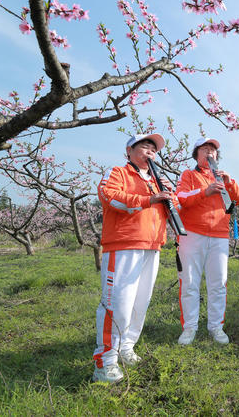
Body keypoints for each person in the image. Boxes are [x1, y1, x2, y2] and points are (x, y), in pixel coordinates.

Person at [93, 133, 176, 383]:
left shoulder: (157, 181)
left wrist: (170, 196)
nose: (150, 151)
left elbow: (173, 211)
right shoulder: (118, 172)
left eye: (153, 148)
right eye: (144, 146)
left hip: (152, 246)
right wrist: (149, 199)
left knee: (140, 303)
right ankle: (105, 361)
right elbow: (109, 196)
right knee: (117, 303)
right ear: (129, 151)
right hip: (123, 245)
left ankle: (127, 347)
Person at [175, 138, 239, 346]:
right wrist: (205, 191)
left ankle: (216, 326)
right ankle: (189, 327)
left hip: (220, 236)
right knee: (189, 282)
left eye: (213, 150)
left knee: (218, 283)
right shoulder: (189, 175)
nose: (209, 153)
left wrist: (229, 182)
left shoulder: (222, 177)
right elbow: (181, 197)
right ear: (196, 154)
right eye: (205, 149)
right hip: (192, 234)